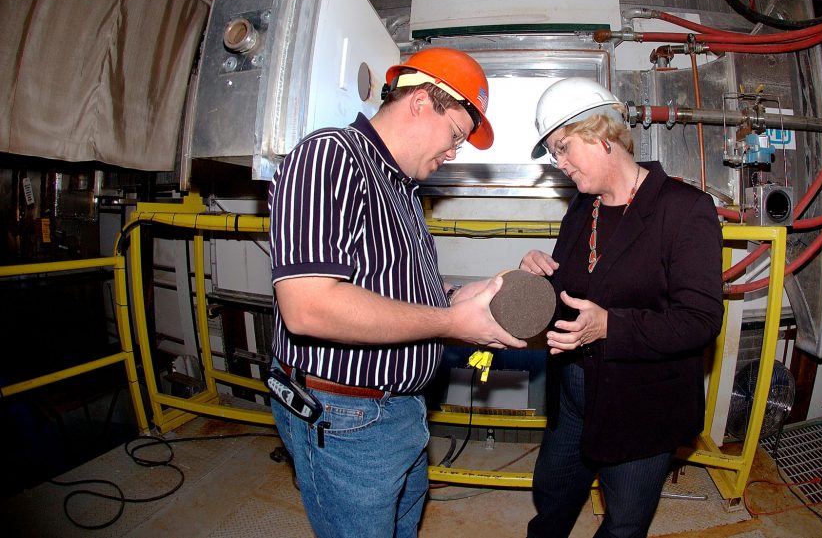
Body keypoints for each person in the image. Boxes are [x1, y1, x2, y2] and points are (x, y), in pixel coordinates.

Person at [267, 47, 527, 538]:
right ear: (420, 102)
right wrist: (452, 325)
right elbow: (309, 306)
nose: (454, 152)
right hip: (348, 417)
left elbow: (387, 284)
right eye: (455, 135)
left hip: (403, 409)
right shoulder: (330, 158)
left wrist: (458, 297)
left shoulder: (403, 189)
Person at [519, 77, 724, 538]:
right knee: (553, 495)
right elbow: (577, 293)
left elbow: (700, 320)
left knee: (624, 523)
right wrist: (539, 278)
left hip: (640, 401)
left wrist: (611, 326)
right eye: (554, 153)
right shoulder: (583, 207)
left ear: (603, 133)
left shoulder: (685, 208)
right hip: (572, 390)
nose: (560, 163)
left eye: (564, 147)